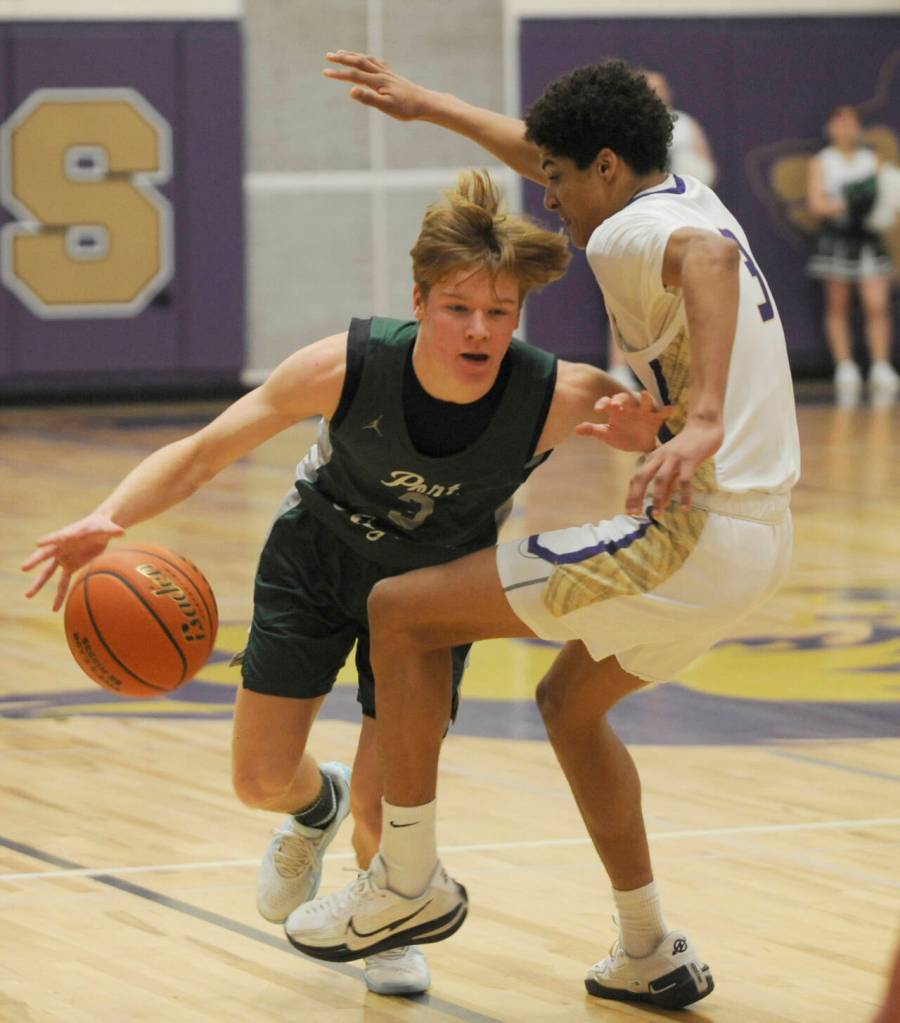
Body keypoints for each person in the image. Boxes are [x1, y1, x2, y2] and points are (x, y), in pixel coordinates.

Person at [21, 170, 666, 997]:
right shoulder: (346, 365)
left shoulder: (559, 393)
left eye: (499, 313)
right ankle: (309, 806)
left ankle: (386, 920)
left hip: (435, 592)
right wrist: (109, 517)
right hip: (316, 559)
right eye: (458, 309)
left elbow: (675, 441)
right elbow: (203, 452)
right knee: (258, 778)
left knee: (382, 800)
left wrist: (656, 442)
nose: (479, 330)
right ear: (420, 300)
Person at [284, 53, 800, 1011]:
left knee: (400, 613)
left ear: (604, 169)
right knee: (570, 703)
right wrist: (429, 104)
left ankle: (404, 882)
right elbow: (627, 195)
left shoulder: (634, 232)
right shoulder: (676, 190)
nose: (547, 198)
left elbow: (708, 264)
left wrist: (710, 413)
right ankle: (647, 947)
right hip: (762, 542)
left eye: (556, 180)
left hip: (693, 532)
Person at [806, 104, 898, 405]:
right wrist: (849, 201)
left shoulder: (872, 160)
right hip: (839, 238)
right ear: (830, 128)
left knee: (877, 303)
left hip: (868, 238)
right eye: (839, 122)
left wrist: (874, 200)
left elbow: (887, 199)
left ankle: (881, 365)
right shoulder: (822, 162)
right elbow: (817, 204)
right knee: (838, 304)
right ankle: (845, 365)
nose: (845, 128)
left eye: (851, 122)